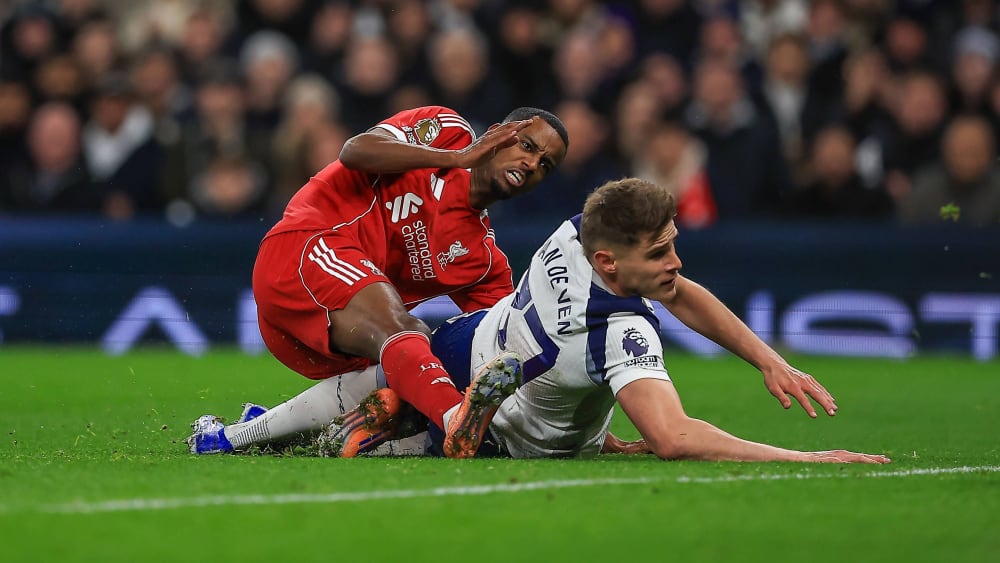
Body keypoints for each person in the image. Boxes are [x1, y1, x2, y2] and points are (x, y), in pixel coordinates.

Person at [334, 177, 890, 463]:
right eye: (660, 252)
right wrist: (805, 456)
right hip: (506, 431)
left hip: (464, 342)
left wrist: (767, 360)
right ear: (609, 262)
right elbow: (672, 437)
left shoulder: (577, 231)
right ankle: (407, 434)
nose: (676, 263)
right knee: (388, 447)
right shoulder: (620, 332)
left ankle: (330, 421)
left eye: (673, 244)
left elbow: (678, 293)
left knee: (322, 419)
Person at [186, 105, 568, 458]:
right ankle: (455, 421)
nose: (532, 163)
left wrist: (581, 418)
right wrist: (457, 158)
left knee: (421, 369)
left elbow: (508, 343)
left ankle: (246, 432)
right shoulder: (448, 131)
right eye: (527, 145)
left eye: (545, 165)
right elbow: (356, 151)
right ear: (498, 133)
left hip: (328, 341)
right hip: (302, 250)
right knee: (406, 332)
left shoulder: (483, 261)